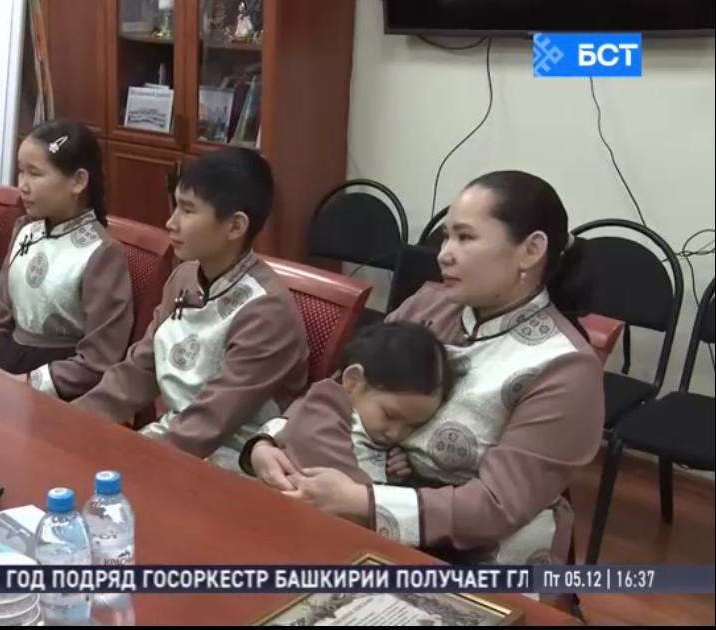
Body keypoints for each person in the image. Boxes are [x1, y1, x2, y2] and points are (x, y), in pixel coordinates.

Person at [249, 170, 603, 566]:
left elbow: (497, 506)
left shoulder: (565, 367)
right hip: (350, 508)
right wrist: (269, 442)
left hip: (471, 558)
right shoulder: (429, 305)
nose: (444, 254)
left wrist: (363, 502)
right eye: (445, 237)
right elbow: (344, 387)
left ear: (531, 250)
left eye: (465, 238)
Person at [75, 148, 309, 472]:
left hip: (237, 461)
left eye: (187, 210)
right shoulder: (184, 277)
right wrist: (74, 420)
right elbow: (139, 369)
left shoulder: (267, 311)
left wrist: (134, 461)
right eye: (175, 206)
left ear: (235, 226)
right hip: (175, 436)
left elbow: (213, 419)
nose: (170, 222)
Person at [0, 119, 133, 400]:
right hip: (8, 362)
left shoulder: (101, 252)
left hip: (61, 385)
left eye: (35, 173)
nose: (23, 185)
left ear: (78, 181)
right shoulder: (24, 230)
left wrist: (26, 383)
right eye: (20, 171)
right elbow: (3, 318)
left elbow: (99, 359)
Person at [241, 322, 461, 504]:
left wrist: (389, 474)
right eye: (389, 415)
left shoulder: (370, 420)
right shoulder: (328, 407)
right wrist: (377, 496)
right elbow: (320, 452)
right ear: (353, 381)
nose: (395, 433)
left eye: (413, 427)